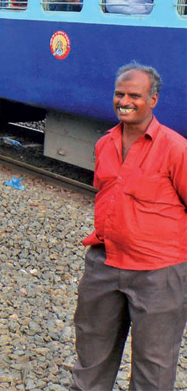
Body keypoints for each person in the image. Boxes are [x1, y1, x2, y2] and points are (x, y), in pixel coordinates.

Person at [71, 63, 187, 391]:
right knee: (91, 355)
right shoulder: (104, 144)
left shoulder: (176, 148)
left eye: (134, 95)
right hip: (104, 263)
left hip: (159, 272)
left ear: (153, 100)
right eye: (119, 94)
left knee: (154, 364)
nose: (125, 100)